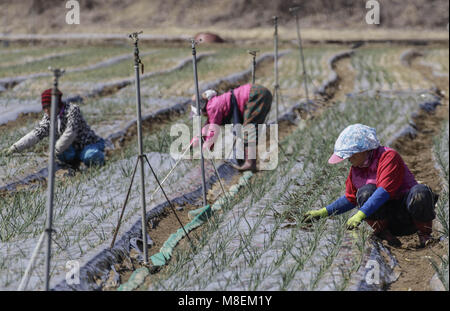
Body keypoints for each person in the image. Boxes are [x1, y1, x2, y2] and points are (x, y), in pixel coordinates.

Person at [304, 124, 438, 248]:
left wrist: (360, 214)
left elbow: (384, 192)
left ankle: (425, 234)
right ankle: (385, 234)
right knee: (365, 192)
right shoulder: (356, 168)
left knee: (420, 192)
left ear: (361, 150)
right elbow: (350, 198)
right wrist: (323, 212)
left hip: (408, 215)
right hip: (386, 220)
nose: (348, 160)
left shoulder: (388, 157)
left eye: (350, 156)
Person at [2, 88, 105, 168]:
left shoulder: (72, 111)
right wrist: (14, 148)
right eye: (44, 107)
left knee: (89, 156)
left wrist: (54, 150)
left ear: (56, 104)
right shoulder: (49, 118)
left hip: (88, 144)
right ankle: (74, 165)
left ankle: (100, 163)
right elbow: (36, 134)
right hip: (70, 149)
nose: (46, 110)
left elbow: (70, 133)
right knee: (64, 155)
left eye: (48, 106)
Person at [190, 83, 272, 172]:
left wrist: (206, 150)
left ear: (202, 109)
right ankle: (247, 161)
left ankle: (250, 163)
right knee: (249, 129)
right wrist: (193, 142)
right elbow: (207, 127)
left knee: (249, 129)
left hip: (255, 95)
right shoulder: (213, 104)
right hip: (258, 92)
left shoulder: (212, 107)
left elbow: (213, 130)